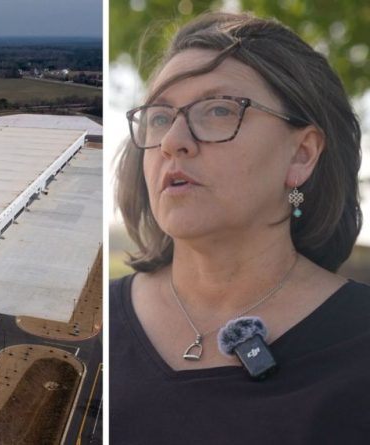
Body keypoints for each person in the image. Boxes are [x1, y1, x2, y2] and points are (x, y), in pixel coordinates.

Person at [111, 12, 370, 444]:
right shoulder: (103, 321)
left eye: (217, 110)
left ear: (302, 155)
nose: (174, 139)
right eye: (159, 117)